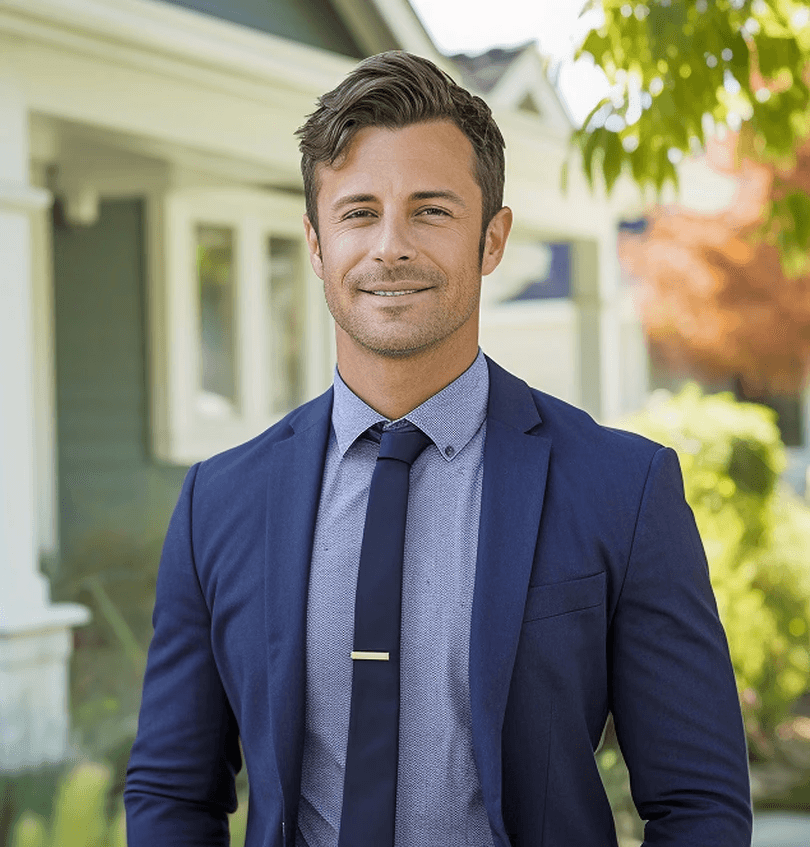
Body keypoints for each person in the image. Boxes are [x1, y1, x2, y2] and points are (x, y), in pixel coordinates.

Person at [125, 51, 752, 846]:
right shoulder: (219, 501)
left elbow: (698, 803)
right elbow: (171, 791)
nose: (390, 247)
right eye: (358, 212)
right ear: (316, 246)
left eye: (430, 211)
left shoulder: (623, 488)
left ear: (491, 239)